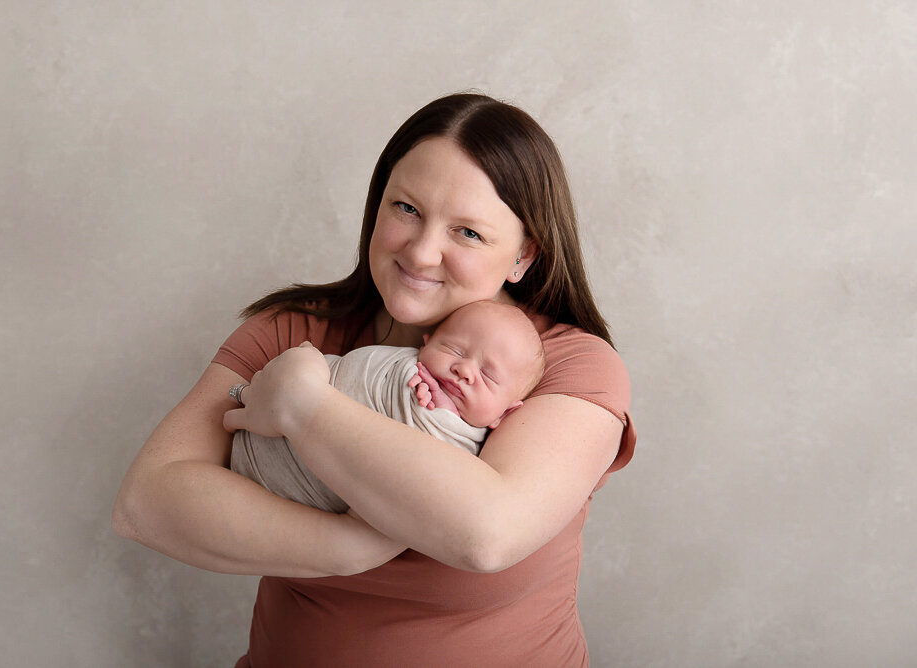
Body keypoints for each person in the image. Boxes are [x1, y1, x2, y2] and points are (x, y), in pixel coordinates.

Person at [113, 92, 637, 667]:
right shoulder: (293, 329)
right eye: (406, 208)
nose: (421, 251)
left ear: (523, 256)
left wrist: (304, 406)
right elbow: (146, 503)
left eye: (467, 232)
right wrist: (350, 545)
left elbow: (487, 534)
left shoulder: (569, 365)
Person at [230, 300, 545, 515]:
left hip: (289, 501)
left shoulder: (473, 458)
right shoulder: (403, 365)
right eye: (453, 348)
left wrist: (438, 414)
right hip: (249, 445)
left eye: (487, 376)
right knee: (304, 357)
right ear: (426, 342)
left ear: (504, 414)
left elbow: (426, 486)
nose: (463, 369)